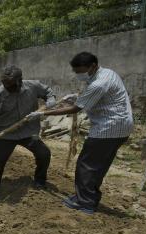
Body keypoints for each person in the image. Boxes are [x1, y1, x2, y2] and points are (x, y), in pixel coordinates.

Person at [27, 52, 134, 214]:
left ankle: (85, 203)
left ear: (92, 66)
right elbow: (93, 97)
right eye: (76, 72)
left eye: (79, 71)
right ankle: (88, 197)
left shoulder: (99, 83)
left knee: (86, 165)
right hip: (121, 127)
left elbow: (76, 108)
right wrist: (77, 96)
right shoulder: (108, 73)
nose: (78, 75)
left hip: (108, 128)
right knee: (98, 166)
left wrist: (43, 114)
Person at [0, 65, 57, 211]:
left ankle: (40, 181)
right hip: (3, 134)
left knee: (44, 153)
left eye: (10, 85)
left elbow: (47, 91)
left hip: (28, 131)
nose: (6, 88)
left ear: (20, 81)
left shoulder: (32, 86)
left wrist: (51, 99)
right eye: (5, 85)